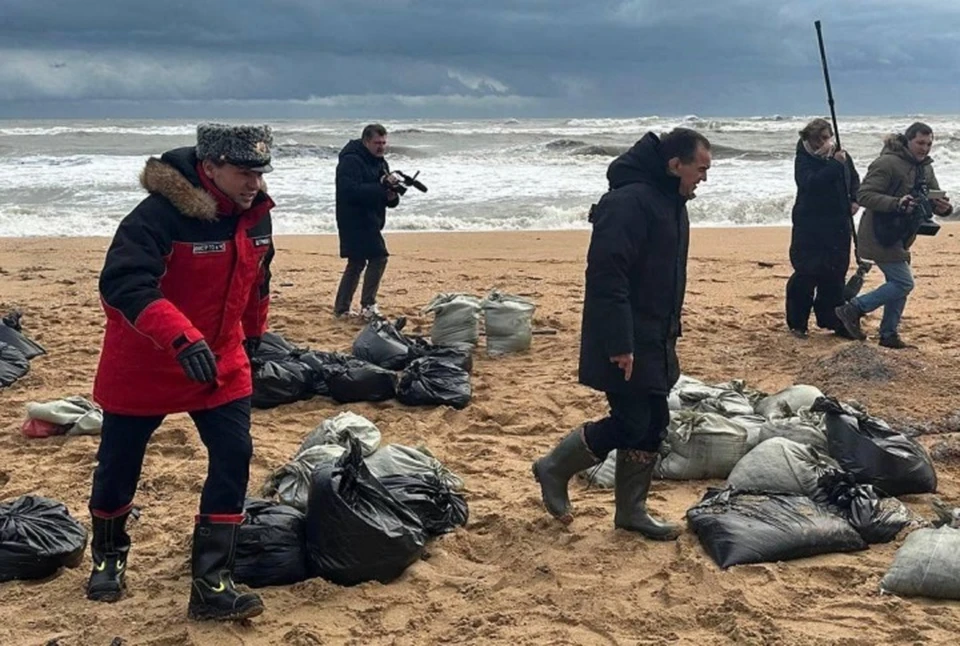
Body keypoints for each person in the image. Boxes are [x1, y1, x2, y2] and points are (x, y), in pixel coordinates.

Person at [87, 124, 276, 621]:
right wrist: (179, 335)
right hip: (147, 357)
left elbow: (258, 280)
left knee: (234, 454)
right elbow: (123, 282)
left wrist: (254, 338)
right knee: (118, 463)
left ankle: (212, 582)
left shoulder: (256, 215)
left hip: (221, 360)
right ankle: (108, 556)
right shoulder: (157, 216)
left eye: (259, 172)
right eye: (243, 172)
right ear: (208, 167)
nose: (253, 182)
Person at [532, 128, 711, 540]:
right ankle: (554, 467)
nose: (703, 177)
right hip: (624, 336)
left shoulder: (672, 201)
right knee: (632, 421)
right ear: (674, 165)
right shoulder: (628, 202)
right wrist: (619, 344)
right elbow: (606, 278)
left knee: (653, 423)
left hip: (656, 334)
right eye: (700, 169)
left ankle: (631, 512)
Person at [835, 122, 953, 348]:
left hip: (902, 234)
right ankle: (854, 308)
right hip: (879, 233)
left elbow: (932, 197)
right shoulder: (887, 162)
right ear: (907, 141)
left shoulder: (925, 167)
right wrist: (896, 203)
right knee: (903, 282)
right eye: (920, 143)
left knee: (897, 284)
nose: (925, 148)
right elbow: (864, 195)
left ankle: (888, 334)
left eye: (929, 144)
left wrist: (943, 208)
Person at [785, 118, 861, 339]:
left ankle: (832, 320)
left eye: (827, 137)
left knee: (836, 274)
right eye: (818, 139)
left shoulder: (841, 156)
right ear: (807, 139)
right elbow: (810, 183)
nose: (824, 143)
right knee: (807, 273)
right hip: (810, 224)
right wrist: (834, 165)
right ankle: (798, 323)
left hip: (838, 223)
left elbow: (853, 179)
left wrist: (855, 199)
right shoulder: (804, 159)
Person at [334, 123, 401, 320]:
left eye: (383, 143)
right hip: (353, 219)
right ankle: (368, 306)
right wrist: (381, 188)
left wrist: (391, 196)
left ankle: (342, 309)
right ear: (366, 141)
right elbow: (349, 191)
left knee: (356, 262)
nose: (381, 147)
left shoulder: (381, 162)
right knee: (379, 257)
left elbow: (388, 198)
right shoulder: (350, 161)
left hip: (372, 218)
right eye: (377, 143)